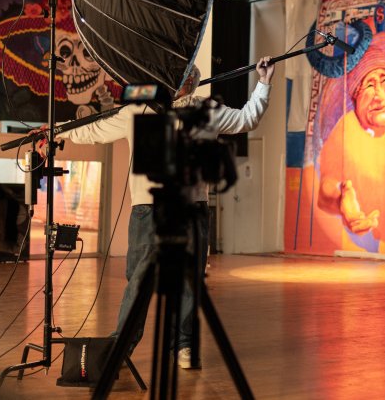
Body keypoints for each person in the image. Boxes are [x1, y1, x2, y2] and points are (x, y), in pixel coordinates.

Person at [38, 59, 275, 369]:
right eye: (175, 75)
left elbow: (247, 118)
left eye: (186, 74)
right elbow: (96, 129)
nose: (180, 80)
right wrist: (60, 132)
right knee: (138, 283)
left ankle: (184, 345)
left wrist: (264, 82)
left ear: (192, 81)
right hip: (148, 211)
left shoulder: (207, 111)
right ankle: (121, 347)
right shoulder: (137, 111)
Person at [317, 52, 385, 245]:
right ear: (355, 95)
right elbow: (326, 188)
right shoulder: (345, 129)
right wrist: (342, 201)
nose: (380, 96)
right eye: (370, 85)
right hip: (363, 244)